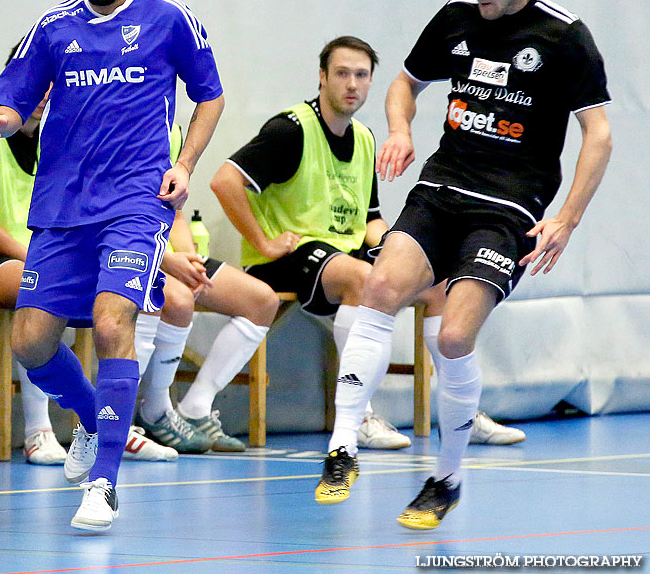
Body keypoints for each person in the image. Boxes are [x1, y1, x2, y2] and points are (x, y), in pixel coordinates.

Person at [316, 0, 612, 530]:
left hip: (509, 206)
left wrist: (568, 219)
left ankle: (446, 478)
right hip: (442, 185)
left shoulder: (564, 38)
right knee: (378, 289)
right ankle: (342, 447)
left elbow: (598, 135)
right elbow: (405, 82)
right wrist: (399, 128)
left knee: (452, 337)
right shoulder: (455, 17)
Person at [0, 0, 224, 532]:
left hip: (137, 200)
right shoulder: (54, 28)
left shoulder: (168, 19)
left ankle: (105, 484)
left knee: (115, 324)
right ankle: (91, 419)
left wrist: (185, 163)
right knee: (30, 342)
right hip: (61, 205)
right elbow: (13, 102)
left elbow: (210, 94)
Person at [210, 36, 521, 452]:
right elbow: (225, 181)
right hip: (288, 257)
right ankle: (358, 416)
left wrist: (403, 249)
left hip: (343, 253)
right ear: (322, 77)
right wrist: (263, 242)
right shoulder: (291, 129)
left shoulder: (364, 138)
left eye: (361, 75)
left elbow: (370, 219)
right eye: (342, 73)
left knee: (437, 285)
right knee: (363, 279)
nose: (352, 84)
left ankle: (460, 410)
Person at [0, 45, 176, 465]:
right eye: (38, 82)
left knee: (136, 297)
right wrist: (39, 258)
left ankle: (113, 421)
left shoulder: (63, 136)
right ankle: (39, 431)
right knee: (40, 297)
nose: (46, 92)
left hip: (44, 251)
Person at [134, 125, 280, 453]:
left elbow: (177, 213)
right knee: (178, 299)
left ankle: (196, 407)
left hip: (168, 253)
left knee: (261, 301)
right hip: (129, 251)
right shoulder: (107, 119)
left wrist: (189, 258)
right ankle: (153, 411)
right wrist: (169, 261)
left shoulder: (169, 130)